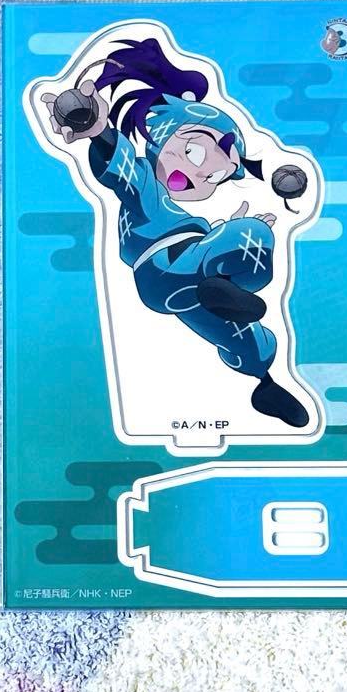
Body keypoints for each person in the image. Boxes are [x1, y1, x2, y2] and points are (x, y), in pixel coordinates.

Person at [42, 37, 308, 428]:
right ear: (162, 137)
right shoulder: (147, 188)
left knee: (238, 333)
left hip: (175, 288)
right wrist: (100, 131)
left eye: (215, 177)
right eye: (196, 153)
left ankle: (264, 382)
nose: (202, 175)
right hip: (165, 261)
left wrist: (222, 232)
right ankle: (227, 288)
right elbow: (123, 173)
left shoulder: (180, 213)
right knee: (253, 234)